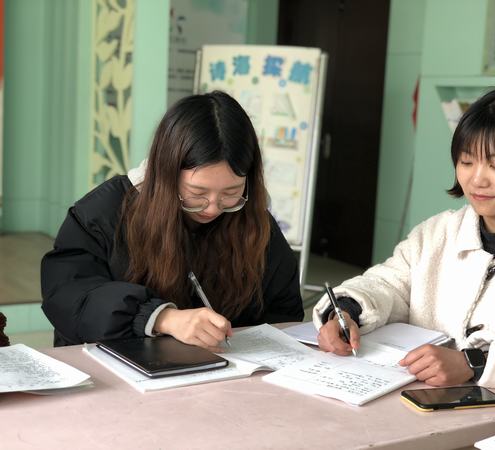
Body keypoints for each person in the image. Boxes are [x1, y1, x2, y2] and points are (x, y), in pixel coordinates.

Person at [313, 89, 495, 418]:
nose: (477, 179)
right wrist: (346, 311)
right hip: (415, 414)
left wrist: (475, 362)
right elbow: (389, 284)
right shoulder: (436, 233)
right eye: (466, 161)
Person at [42, 92, 304, 349]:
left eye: (231, 192)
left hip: (226, 369)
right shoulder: (103, 213)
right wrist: (160, 318)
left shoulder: (253, 220)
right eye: (197, 193)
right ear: (166, 174)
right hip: (116, 367)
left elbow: (283, 311)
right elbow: (69, 297)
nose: (213, 208)